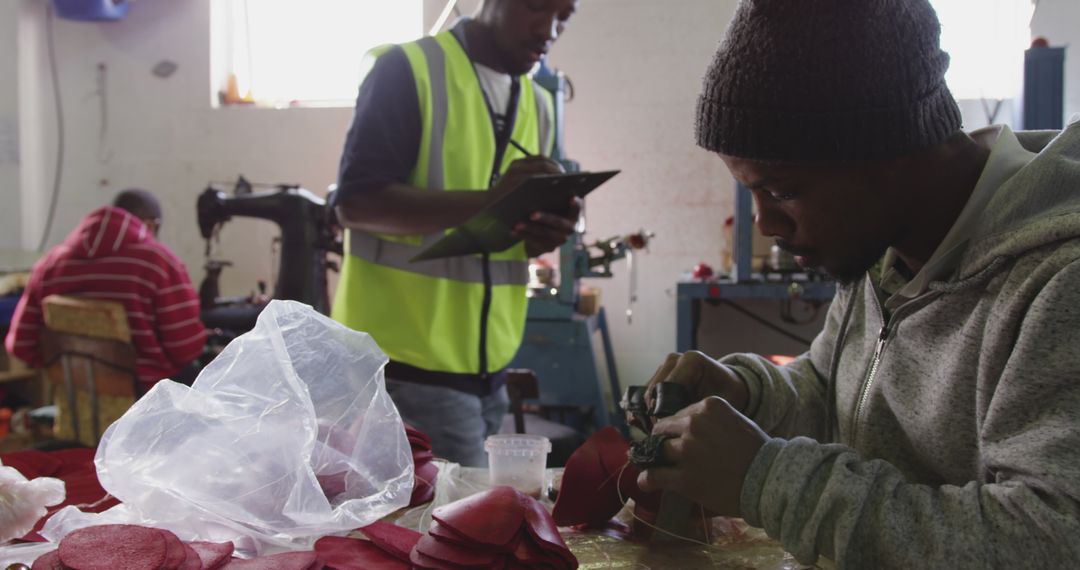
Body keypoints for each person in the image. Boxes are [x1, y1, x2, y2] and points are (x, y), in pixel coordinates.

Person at [636, 1, 1080, 568]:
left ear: (893, 154)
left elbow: (1051, 540)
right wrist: (749, 394)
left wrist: (767, 480)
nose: (765, 225)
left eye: (784, 190)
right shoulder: (882, 249)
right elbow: (840, 396)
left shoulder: (1058, 279)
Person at [331, 0, 581, 466]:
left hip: (490, 370)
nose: (549, 28)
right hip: (404, 364)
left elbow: (504, 231)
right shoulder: (407, 70)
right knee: (452, 529)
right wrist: (492, 200)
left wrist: (544, 231)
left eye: (564, 16)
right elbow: (356, 204)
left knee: (453, 523)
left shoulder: (540, 103)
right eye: (536, 7)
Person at [5, 189, 207, 393]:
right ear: (149, 224)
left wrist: (71, 372)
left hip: (74, 404)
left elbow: (20, 345)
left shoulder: (49, 265)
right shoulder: (158, 263)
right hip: (146, 407)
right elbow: (186, 348)